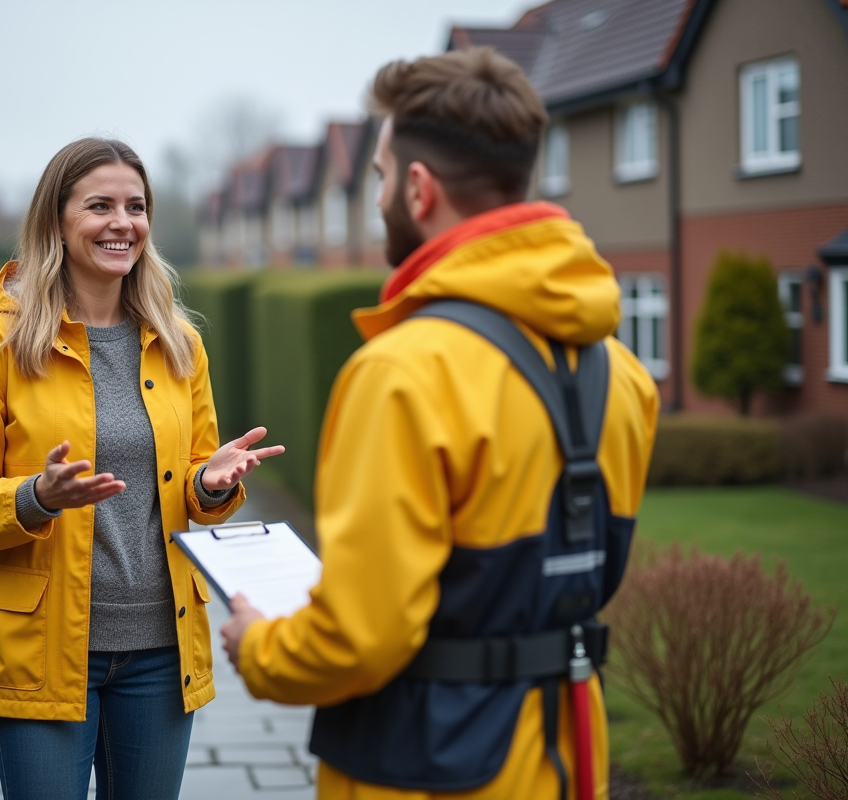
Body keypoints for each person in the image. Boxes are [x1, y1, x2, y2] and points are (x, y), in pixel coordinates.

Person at [221, 48, 659, 800]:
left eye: (383, 177)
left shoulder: (400, 372)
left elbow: (360, 638)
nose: (380, 195)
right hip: (565, 754)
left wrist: (260, 647)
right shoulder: (621, 371)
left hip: (424, 767)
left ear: (419, 190)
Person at [0, 137, 283, 800]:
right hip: (38, 649)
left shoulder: (182, 345)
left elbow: (197, 479)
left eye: (136, 206)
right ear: (56, 222)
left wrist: (210, 485)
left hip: (161, 650)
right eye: (100, 206)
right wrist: (35, 496)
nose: (123, 222)